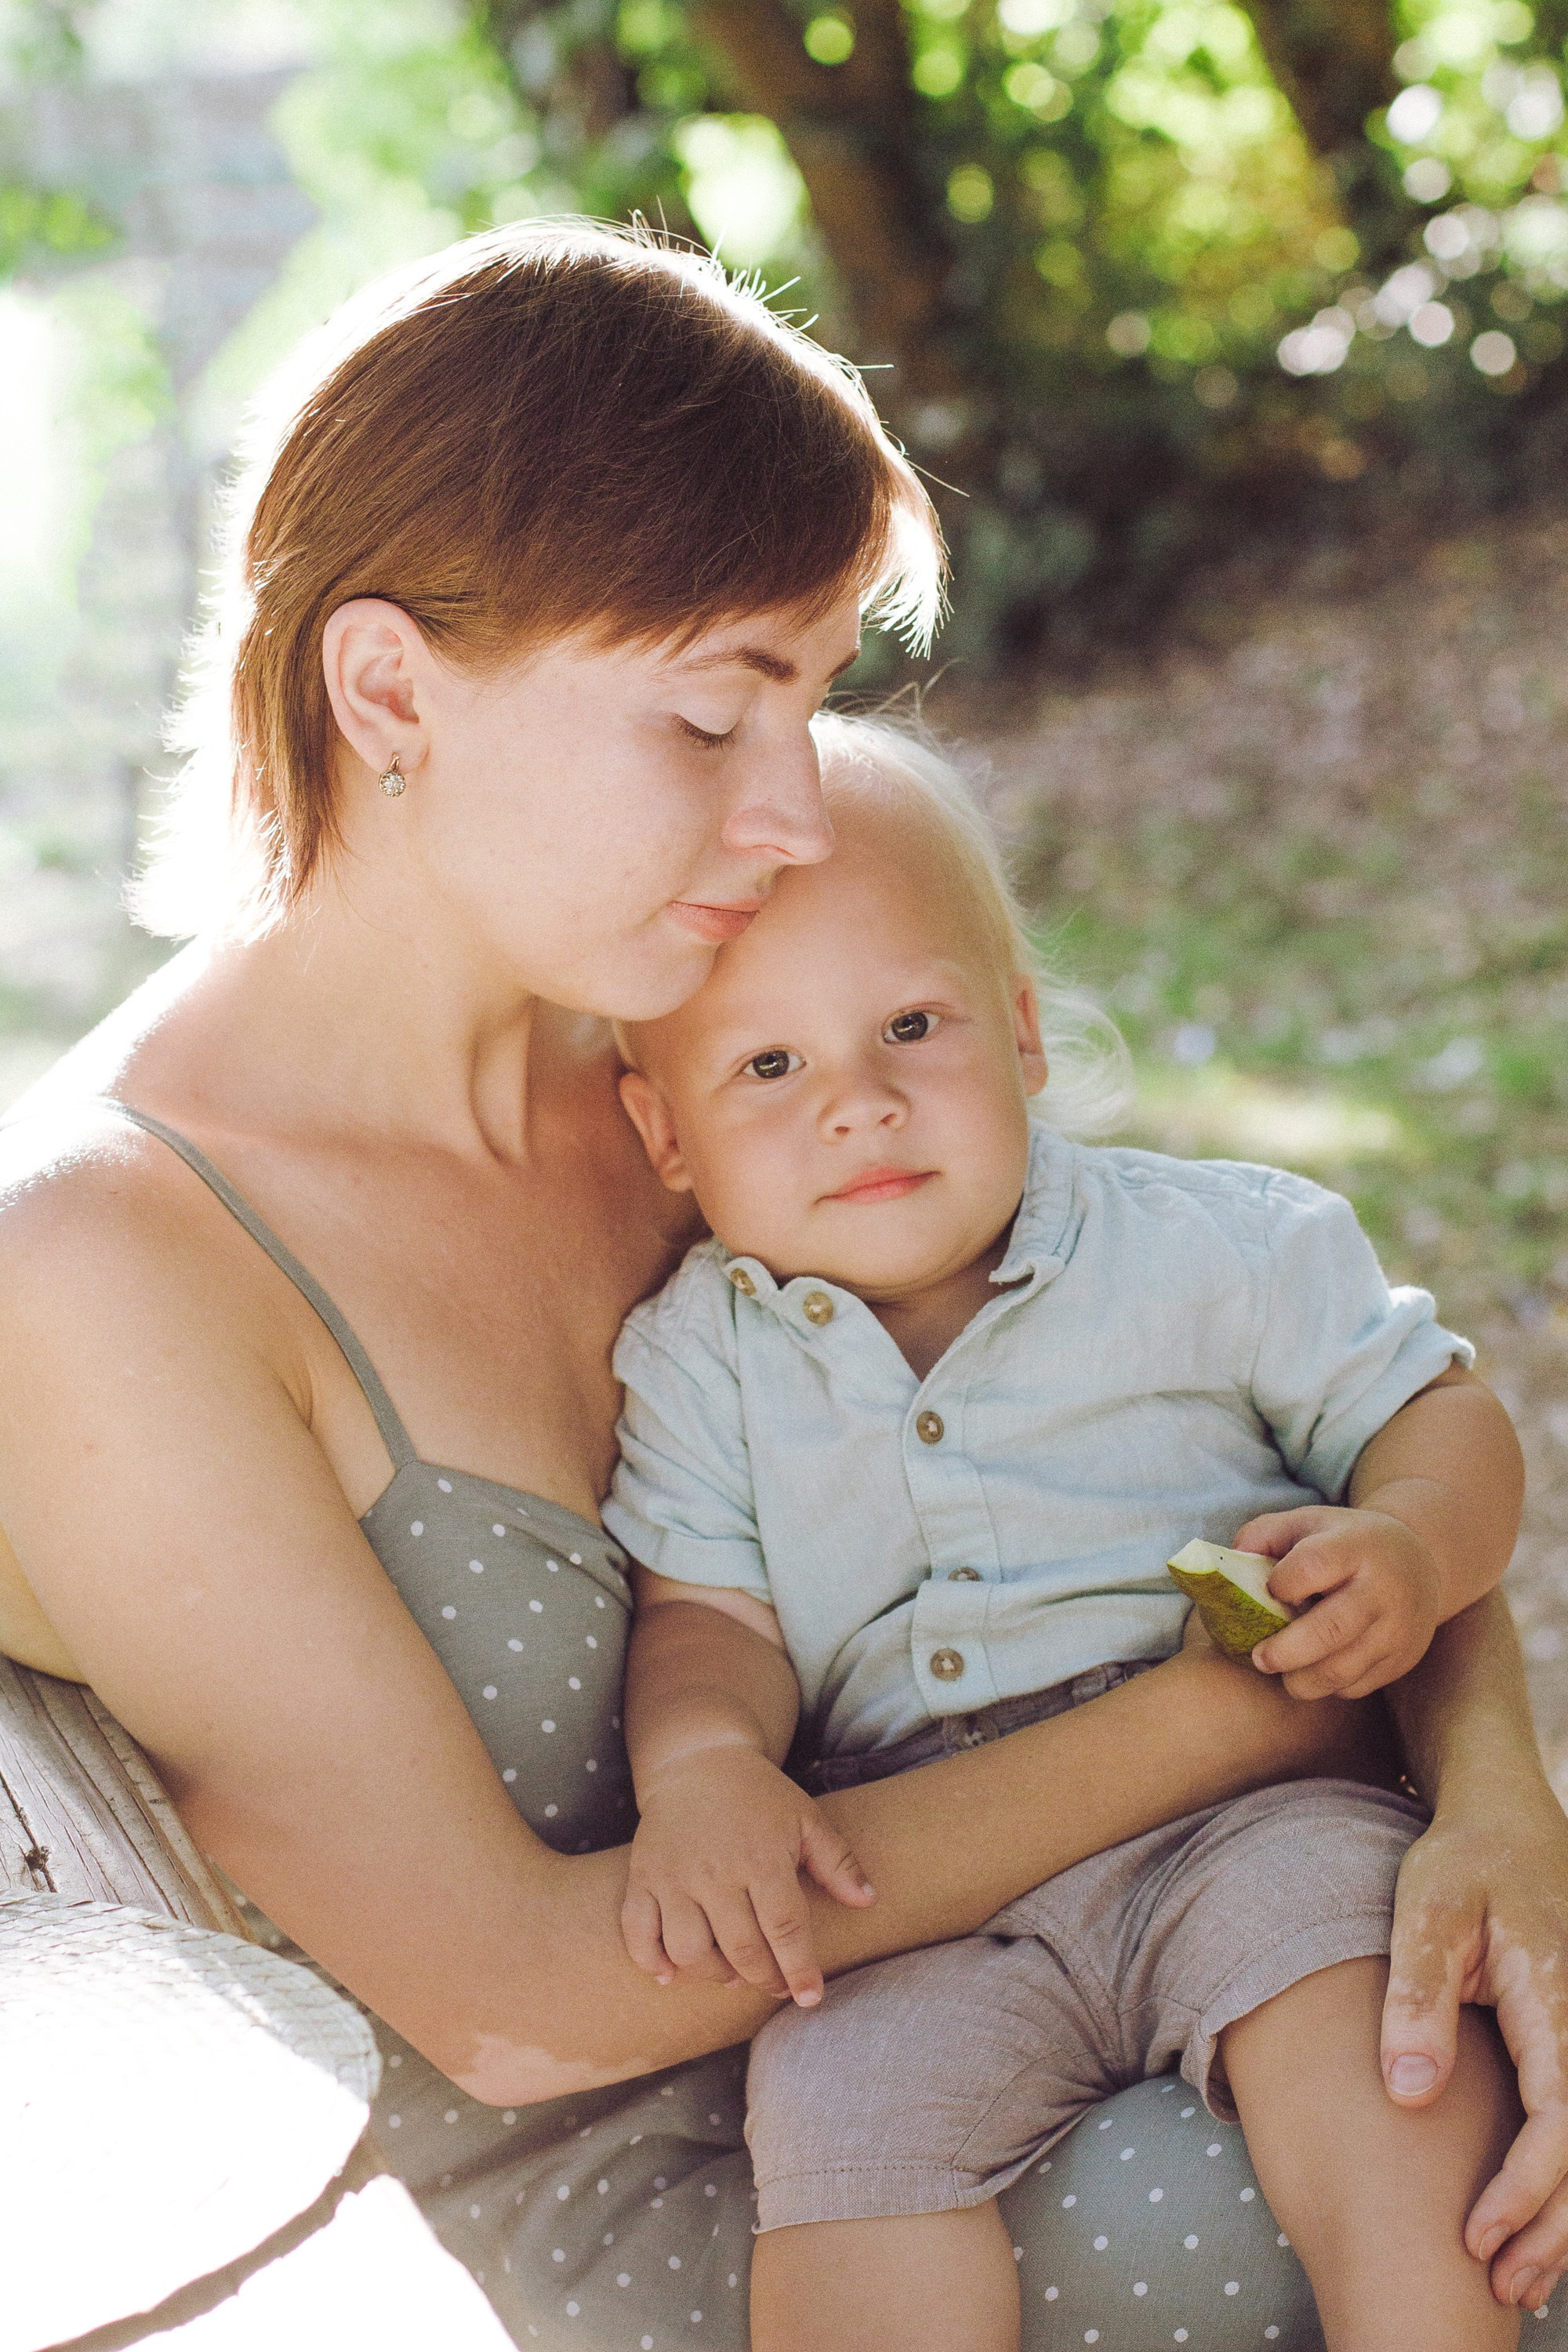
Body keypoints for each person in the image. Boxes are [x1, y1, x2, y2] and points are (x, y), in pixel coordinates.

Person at [0, 220, 1565, 2352]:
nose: (793, 807)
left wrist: (1495, 1808)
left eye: (814, 705)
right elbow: (526, 2002)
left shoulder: (706, 1049)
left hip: (1089, 1975)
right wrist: (1237, 1716)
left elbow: (1250, 1381)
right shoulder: (102, 1267)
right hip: (636, 2222)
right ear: (388, 691)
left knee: (1443, 2057)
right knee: (1419, 2178)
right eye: (715, 713)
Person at [604, 717, 1526, 2351]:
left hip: (1257, 1818)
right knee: (836, 2130)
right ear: (664, 1134)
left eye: (911, 1024)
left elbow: (1437, 1416)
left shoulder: (1214, 1249)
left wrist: (1411, 1544)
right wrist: (702, 1768)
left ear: (1019, 1032)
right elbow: (708, 1621)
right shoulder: (696, 1357)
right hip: (914, 1876)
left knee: (1386, 2062)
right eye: (768, 1066)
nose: (860, 1105)